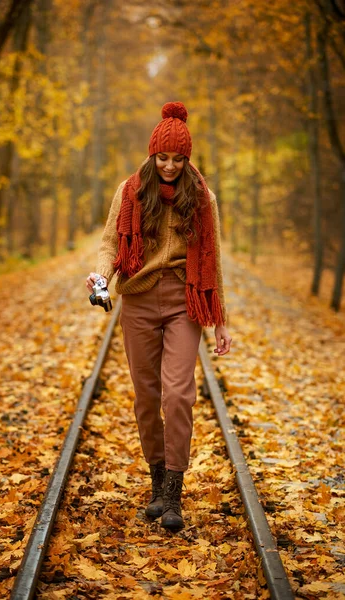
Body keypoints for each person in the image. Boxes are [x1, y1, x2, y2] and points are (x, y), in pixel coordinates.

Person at [86, 101, 232, 531]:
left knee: (179, 394)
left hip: (186, 299)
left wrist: (221, 319)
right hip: (139, 299)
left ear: (188, 158)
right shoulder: (130, 190)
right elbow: (111, 242)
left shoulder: (202, 197)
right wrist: (101, 278)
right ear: (153, 154)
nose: (170, 166)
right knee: (147, 397)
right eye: (163, 157)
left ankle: (173, 493)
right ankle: (155, 482)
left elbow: (214, 260)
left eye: (178, 158)